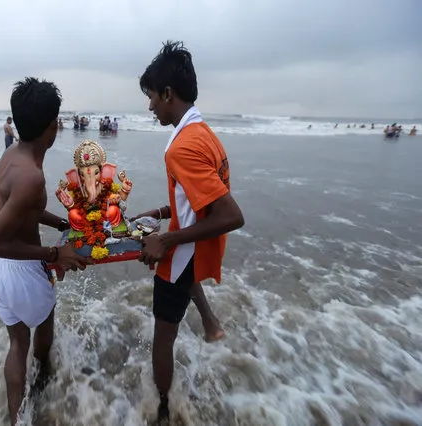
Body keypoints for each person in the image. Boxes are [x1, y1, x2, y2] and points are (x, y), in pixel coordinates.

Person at [132, 41, 245, 423]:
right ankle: (212, 325)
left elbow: (230, 214)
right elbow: (200, 199)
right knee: (183, 282)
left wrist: (165, 239)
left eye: (151, 97)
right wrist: (163, 212)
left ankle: (162, 409)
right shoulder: (204, 133)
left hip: (184, 250)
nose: (150, 107)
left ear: (167, 94)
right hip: (195, 245)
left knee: (163, 336)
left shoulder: (182, 146)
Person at [0, 77, 91, 426]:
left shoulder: (12, 155)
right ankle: (44, 376)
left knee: (17, 341)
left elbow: (18, 208)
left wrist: (61, 223)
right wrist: (54, 255)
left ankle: (16, 418)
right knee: (44, 320)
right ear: (52, 126)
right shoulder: (32, 177)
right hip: (17, 265)